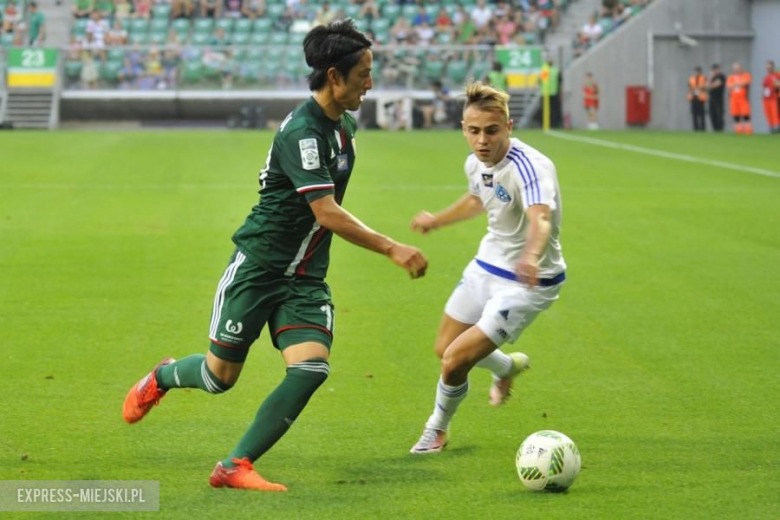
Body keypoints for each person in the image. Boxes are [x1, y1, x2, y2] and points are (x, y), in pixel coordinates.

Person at [123, 19, 428, 491]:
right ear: (334, 75)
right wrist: (391, 247)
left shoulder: (344, 126)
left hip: (304, 275)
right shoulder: (302, 133)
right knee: (218, 376)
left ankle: (234, 465)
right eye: (364, 73)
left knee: (311, 368)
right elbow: (326, 212)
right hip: (259, 267)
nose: (371, 83)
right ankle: (162, 376)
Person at [408, 82, 566, 454]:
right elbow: (479, 198)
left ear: (508, 128)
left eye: (492, 131)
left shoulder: (532, 166)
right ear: (464, 128)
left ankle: (437, 430)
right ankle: (505, 367)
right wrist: (438, 220)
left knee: (454, 361)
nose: (482, 140)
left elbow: (540, 217)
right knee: (445, 347)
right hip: (487, 264)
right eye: (473, 131)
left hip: (530, 280)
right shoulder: (475, 162)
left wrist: (529, 255)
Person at [727, 62, 753, 135]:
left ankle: (748, 131)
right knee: (735, 114)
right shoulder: (731, 77)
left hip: (743, 98)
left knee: (745, 114)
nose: (736, 70)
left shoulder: (746, 75)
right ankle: (739, 131)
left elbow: (746, 82)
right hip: (733, 98)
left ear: (741, 68)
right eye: (735, 68)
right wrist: (738, 84)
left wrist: (735, 84)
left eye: (737, 68)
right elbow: (729, 86)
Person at [761, 60, 780, 133]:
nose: (768, 68)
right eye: (767, 67)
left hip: (774, 98)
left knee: (775, 113)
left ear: (772, 67)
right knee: (768, 113)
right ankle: (772, 128)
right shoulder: (766, 77)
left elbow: (777, 85)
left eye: (769, 66)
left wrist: (776, 84)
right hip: (766, 98)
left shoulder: (777, 75)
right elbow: (764, 87)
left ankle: (777, 128)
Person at [687, 66, 707, 131]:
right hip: (694, 97)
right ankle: (695, 129)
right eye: (695, 72)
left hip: (701, 98)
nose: (696, 73)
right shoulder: (691, 79)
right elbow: (689, 87)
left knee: (702, 114)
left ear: (700, 72)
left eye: (697, 72)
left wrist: (699, 87)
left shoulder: (703, 78)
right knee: (694, 114)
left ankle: (703, 129)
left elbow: (705, 86)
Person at [708, 64, 726, 132]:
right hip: (711, 98)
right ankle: (715, 129)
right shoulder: (711, 77)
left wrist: (710, 85)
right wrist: (710, 78)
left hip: (719, 99)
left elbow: (715, 85)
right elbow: (706, 86)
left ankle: (720, 129)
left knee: (719, 114)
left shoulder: (721, 77)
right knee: (712, 114)